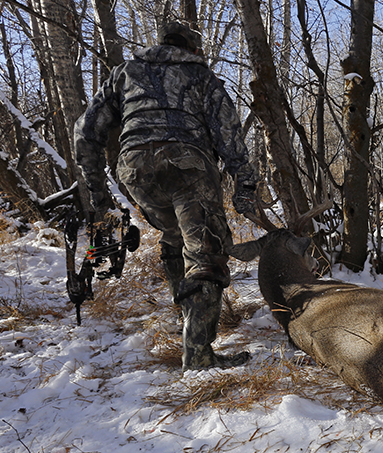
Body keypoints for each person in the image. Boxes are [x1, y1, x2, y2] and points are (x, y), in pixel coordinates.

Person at [74, 21, 261, 370]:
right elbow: (229, 132)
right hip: (189, 166)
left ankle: (186, 322)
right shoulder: (201, 77)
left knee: (174, 237)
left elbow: (85, 131)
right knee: (206, 255)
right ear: (192, 49)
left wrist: (99, 195)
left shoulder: (125, 73)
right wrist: (245, 185)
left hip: (136, 170)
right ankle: (199, 355)